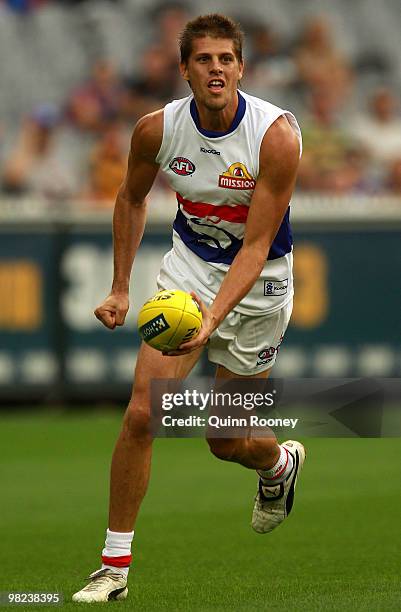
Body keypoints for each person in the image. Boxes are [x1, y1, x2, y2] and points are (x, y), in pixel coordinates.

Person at [72, 13, 304, 604]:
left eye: (226, 59)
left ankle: (277, 466)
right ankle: (114, 568)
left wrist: (213, 321)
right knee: (143, 415)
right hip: (187, 274)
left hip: (259, 290)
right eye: (204, 59)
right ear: (184, 69)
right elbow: (130, 197)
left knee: (225, 440)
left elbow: (255, 246)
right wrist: (122, 286)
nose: (216, 69)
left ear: (241, 68)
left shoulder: (276, 135)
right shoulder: (157, 130)